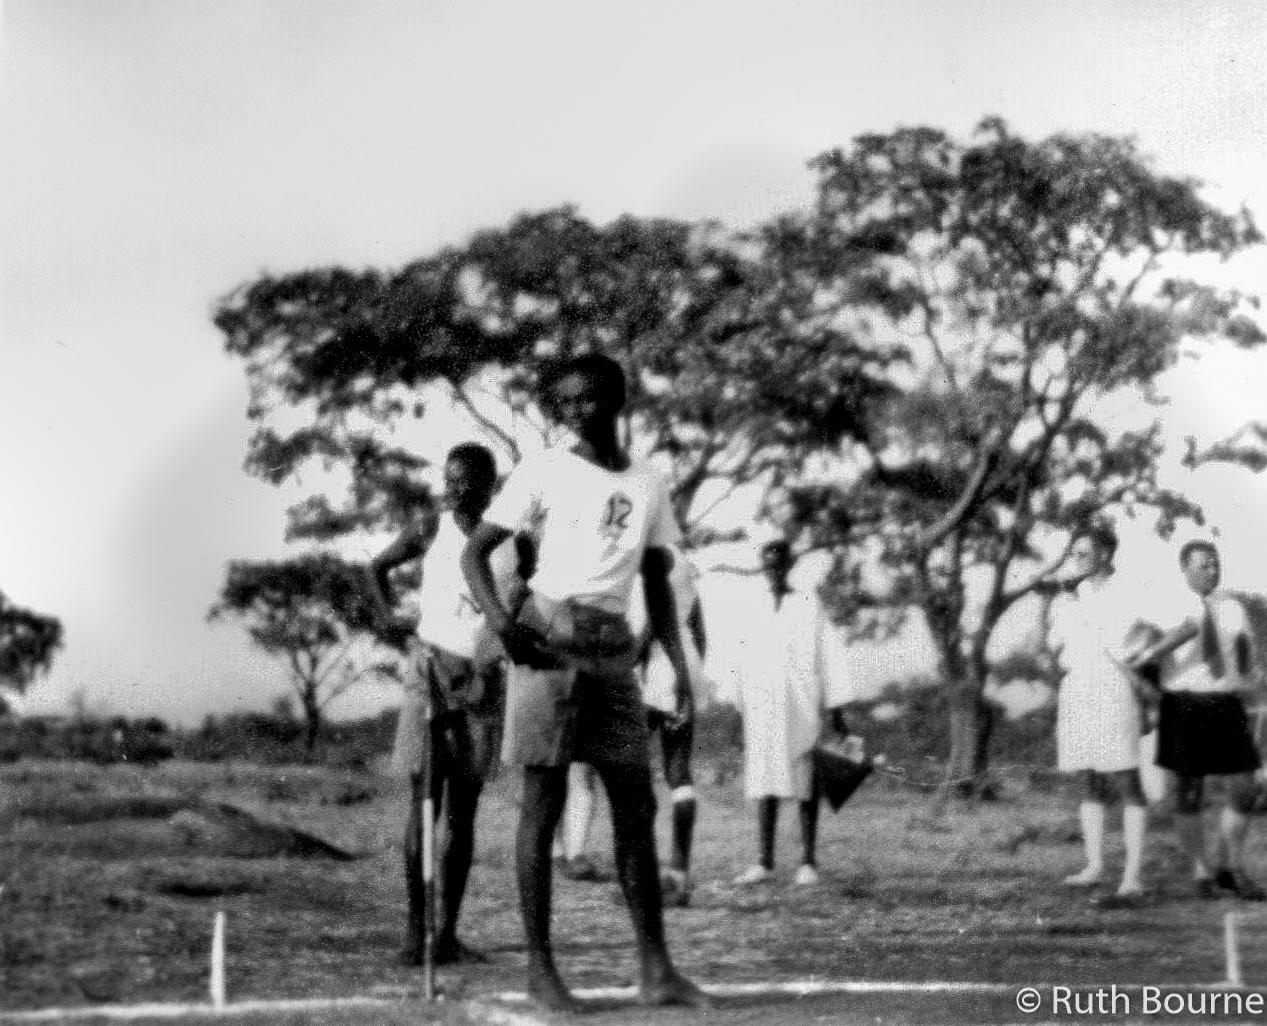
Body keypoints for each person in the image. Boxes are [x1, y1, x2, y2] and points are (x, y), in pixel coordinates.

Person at [462, 353, 711, 1012]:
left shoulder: (649, 480)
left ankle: (656, 969)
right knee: (542, 805)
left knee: (637, 803)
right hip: (550, 637)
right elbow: (475, 552)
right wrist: (502, 624)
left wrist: (677, 665)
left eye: (590, 397)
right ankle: (541, 972)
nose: (577, 411)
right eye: (566, 401)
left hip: (614, 648)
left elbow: (656, 577)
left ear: (619, 399)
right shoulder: (544, 468)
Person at [367, 442, 508, 966]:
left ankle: (447, 934)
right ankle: (416, 933)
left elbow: (530, 592)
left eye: (466, 481)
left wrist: (503, 641)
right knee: (424, 802)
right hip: (430, 671)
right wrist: (390, 621)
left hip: (483, 679)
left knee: (464, 811)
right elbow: (377, 567)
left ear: (490, 485)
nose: (455, 489)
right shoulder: (431, 527)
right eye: (450, 480)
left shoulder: (512, 535)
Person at [732, 539, 852, 888]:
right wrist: (741, 708)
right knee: (764, 782)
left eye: (779, 565)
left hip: (800, 707)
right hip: (762, 708)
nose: (773, 571)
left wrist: (836, 712)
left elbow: (829, 659)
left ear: (789, 566)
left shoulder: (808, 605)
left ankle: (808, 862)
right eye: (768, 565)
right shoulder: (750, 607)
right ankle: (764, 862)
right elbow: (739, 663)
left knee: (805, 783)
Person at [1155, 540, 1265, 900]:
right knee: (1189, 792)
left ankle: (1228, 866)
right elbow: (1146, 655)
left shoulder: (1232, 607)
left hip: (1226, 703)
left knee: (1245, 788)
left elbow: (1246, 654)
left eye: (1216, 564)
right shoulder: (1165, 606)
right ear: (1184, 568)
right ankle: (1201, 869)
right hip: (1184, 704)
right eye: (1203, 565)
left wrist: (1253, 682)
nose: (1212, 571)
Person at [1048, 525, 1150, 899]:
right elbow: (1055, 644)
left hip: (1114, 685)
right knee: (1088, 777)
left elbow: (1123, 643)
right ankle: (1094, 866)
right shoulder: (1068, 597)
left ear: (1105, 554)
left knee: (1126, 777)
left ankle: (1133, 876)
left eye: (1083, 554)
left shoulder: (1127, 591)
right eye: (1072, 554)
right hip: (1078, 687)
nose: (1075, 561)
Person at [639, 545, 710, 906]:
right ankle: (679, 874)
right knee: (679, 773)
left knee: (633, 770)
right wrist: (689, 676)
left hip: (658, 665)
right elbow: (699, 630)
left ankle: (645, 877)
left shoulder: (650, 553)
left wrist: (634, 657)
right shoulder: (684, 561)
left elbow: (654, 619)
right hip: (688, 663)